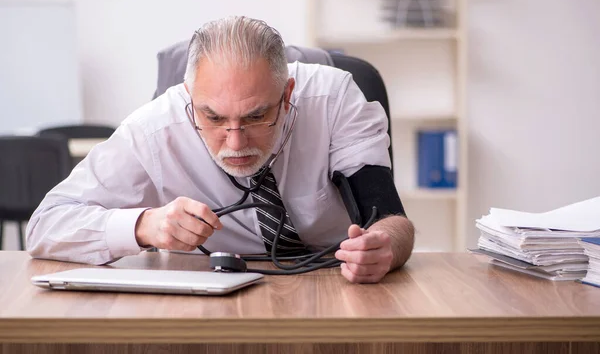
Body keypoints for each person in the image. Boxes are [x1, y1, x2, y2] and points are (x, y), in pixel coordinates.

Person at [27, 16, 414, 284]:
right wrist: (145, 226)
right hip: (210, 301)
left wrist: (383, 249)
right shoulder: (153, 130)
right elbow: (46, 225)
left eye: (256, 116)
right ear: (190, 99)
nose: (236, 143)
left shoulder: (335, 99)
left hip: (335, 287)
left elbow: (391, 221)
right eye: (213, 118)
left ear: (287, 94)